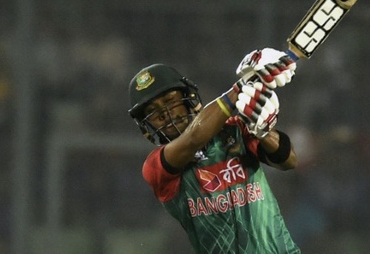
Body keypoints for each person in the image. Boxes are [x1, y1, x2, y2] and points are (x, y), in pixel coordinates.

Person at [127, 48, 300, 253]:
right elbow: (193, 139)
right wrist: (242, 86)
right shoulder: (155, 166)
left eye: (170, 101)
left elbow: (289, 161)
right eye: (152, 111)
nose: (165, 113)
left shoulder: (236, 128)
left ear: (189, 99)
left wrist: (263, 133)